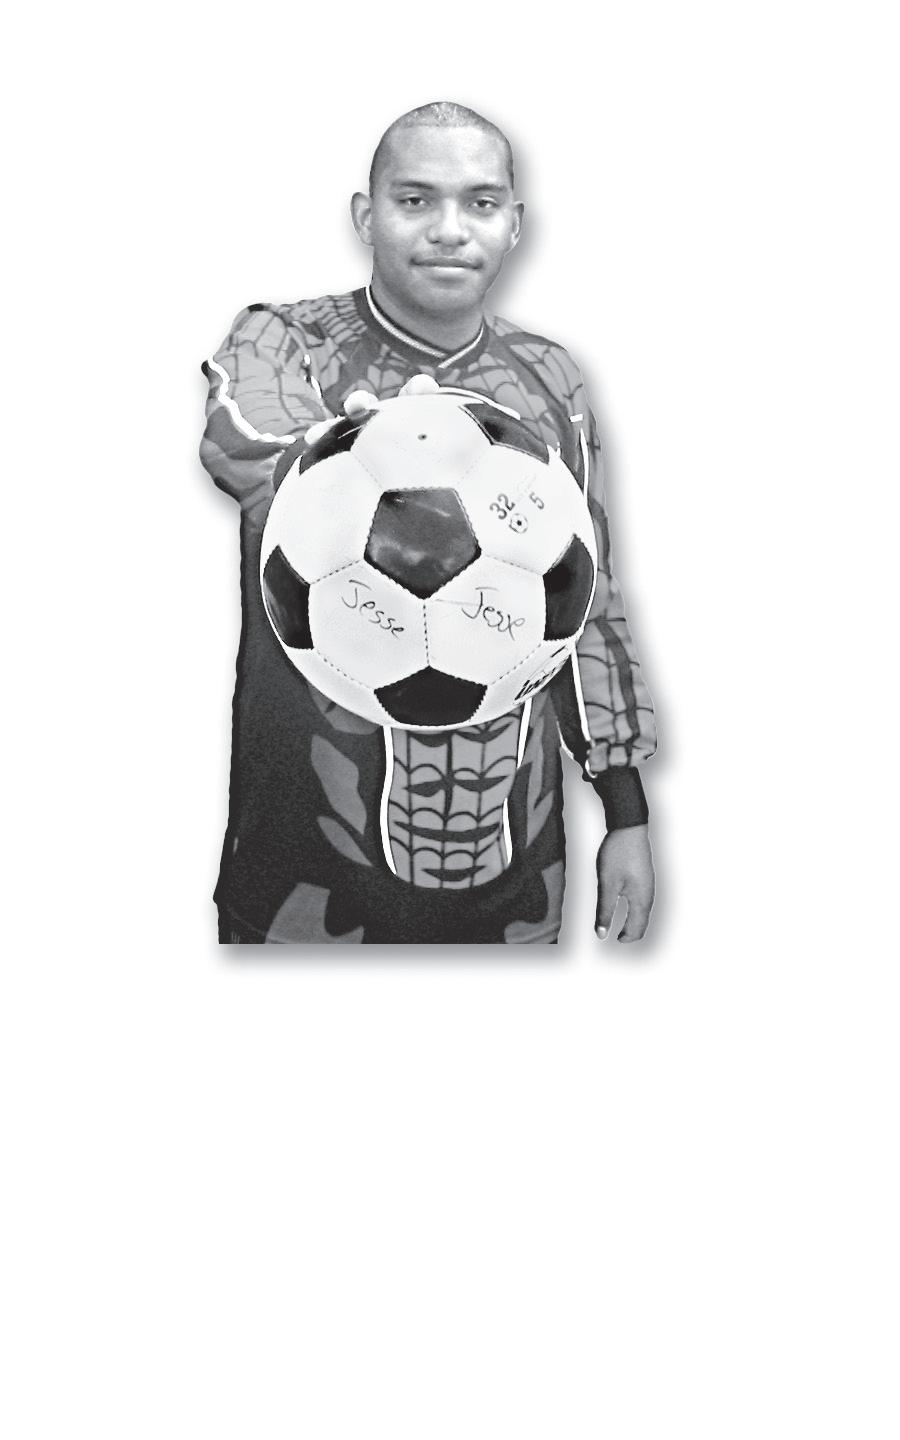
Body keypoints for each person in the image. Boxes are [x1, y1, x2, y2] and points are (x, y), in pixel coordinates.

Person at [200, 101, 657, 945]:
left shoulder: (551, 377)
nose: (449, 229)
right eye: (415, 200)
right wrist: (341, 451)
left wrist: (624, 811)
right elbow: (242, 432)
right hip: (297, 872)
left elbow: (589, 601)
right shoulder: (286, 338)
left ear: (515, 223)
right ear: (365, 216)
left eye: (480, 202)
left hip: (515, 875)